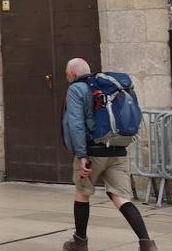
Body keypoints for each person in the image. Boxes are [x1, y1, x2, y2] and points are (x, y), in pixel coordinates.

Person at [61, 58, 157, 251]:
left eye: (66, 74)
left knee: (82, 193)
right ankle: (147, 243)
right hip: (117, 150)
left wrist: (81, 155)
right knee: (121, 197)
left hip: (92, 152)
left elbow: (76, 124)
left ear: (72, 74)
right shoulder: (107, 87)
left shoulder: (76, 89)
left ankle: (80, 242)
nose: (66, 77)